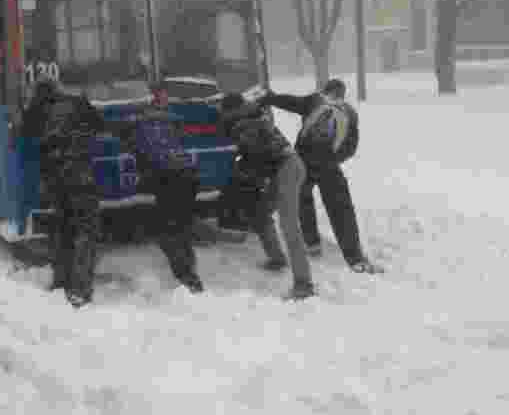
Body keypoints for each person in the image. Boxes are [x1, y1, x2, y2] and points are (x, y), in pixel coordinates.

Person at [261, 79, 383, 274]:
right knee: (341, 210)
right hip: (329, 165)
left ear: (325, 90)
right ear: (342, 94)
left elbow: (290, 102)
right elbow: (351, 147)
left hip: (304, 160)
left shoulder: (314, 100)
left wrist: (270, 98)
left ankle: (312, 243)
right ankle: (355, 258)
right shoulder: (350, 112)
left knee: (303, 200)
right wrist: (333, 160)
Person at [220, 92, 315, 300]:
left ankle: (304, 283)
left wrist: (241, 171)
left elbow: (256, 155)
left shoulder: (245, 124)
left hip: (287, 169)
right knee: (261, 211)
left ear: (231, 111)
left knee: (289, 225)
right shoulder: (253, 117)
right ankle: (277, 258)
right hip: (287, 166)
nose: (223, 116)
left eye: (224, 112)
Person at [22, 76, 105, 307]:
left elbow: (23, 136)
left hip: (55, 182)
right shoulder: (76, 102)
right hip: (80, 177)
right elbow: (100, 124)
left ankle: (62, 282)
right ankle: (80, 289)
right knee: (86, 232)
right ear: (57, 89)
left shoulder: (35, 110)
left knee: (62, 229)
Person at [123, 82, 204, 293]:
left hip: (170, 177)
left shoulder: (138, 129)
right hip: (189, 175)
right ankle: (189, 268)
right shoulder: (167, 123)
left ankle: (187, 277)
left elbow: (141, 154)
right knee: (182, 225)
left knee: (166, 231)